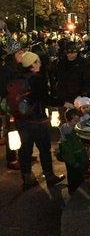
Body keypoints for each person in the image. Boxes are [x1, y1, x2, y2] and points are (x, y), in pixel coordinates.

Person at [14, 51, 65, 190]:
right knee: (44, 148)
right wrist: (62, 102)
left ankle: (26, 177)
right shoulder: (37, 79)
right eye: (38, 61)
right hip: (37, 120)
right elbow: (45, 98)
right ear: (32, 64)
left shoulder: (17, 77)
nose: (40, 64)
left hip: (21, 120)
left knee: (25, 149)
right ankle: (49, 176)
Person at [0, 39, 24, 170]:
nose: (22, 55)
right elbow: (5, 89)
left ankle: (22, 154)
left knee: (21, 130)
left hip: (19, 103)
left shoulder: (17, 67)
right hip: (11, 104)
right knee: (13, 131)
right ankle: (12, 159)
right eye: (19, 53)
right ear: (13, 54)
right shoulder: (7, 70)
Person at [58, 108, 89, 194]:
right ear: (69, 120)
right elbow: (67, 151)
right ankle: (73, 191)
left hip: (77, 156)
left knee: (78, 174)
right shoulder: (68, 132)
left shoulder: (69, 128)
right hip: (73, 158)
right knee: (73, 174)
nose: (77, 123)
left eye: (78, 120)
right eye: (75, 121)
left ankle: (77, 188)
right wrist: (73, 161)